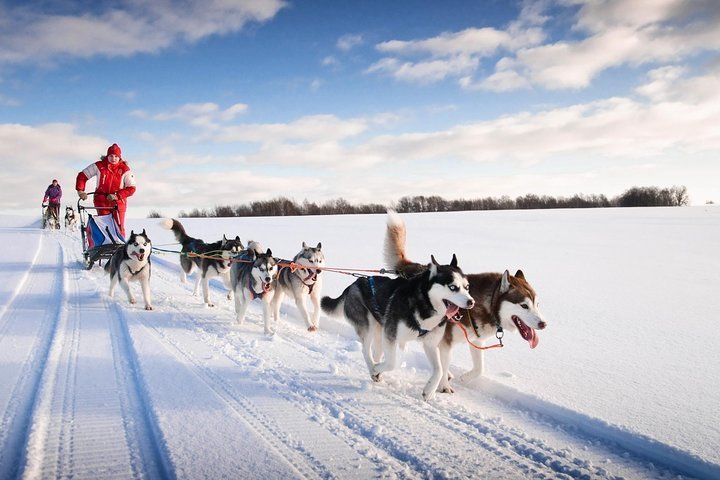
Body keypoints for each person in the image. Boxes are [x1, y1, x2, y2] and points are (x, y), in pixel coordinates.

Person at [76, 143, 136, 237]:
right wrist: (81, 190)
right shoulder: (99, 166)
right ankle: (105, 248)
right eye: (111, 156)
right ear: (107, 156)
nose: (113, 158)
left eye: (116, 156)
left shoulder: (125, 169)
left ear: (119, 157)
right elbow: (82, 176)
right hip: (102, 202)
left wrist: (117, 195)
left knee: (119, 228)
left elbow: (131, 188)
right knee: (105, 227)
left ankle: (120, 248)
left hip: (118, 203)